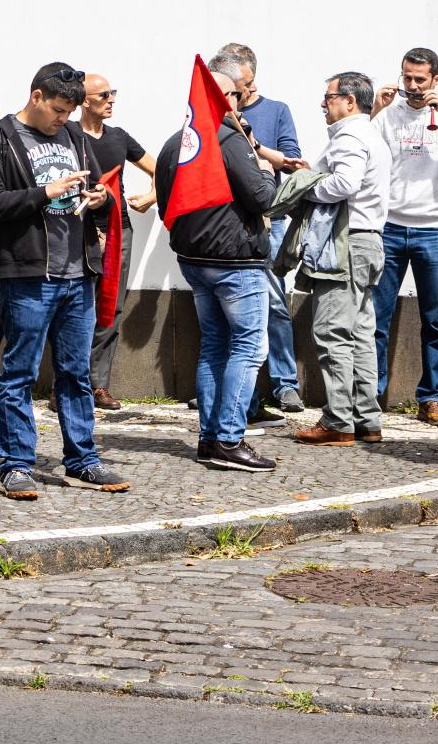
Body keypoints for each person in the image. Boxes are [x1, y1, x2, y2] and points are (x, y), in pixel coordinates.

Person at [0, 62, 129, 500]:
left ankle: (82, 460)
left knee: (76, 372)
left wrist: (100, 198)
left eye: (69, 111)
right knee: (18, 371)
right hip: (27, 275)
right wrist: (47, 191)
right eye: (58, 109)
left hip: (79, 275)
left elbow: (99, 191)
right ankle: (16, 465)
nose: (63, 118)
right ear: (36, 96)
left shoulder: (77, 137)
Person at [155, 71, 278, 472]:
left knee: (214, 345)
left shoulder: (176, 143)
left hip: (194, 260)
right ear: (224, 97)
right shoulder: (228, 140)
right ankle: (229, 438)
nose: (239, 101)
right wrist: (266, 170)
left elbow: (165, 205)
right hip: (235, 261)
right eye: (235, 95)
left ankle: (209, 438)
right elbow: (263, 197)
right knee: (248, 347)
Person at [370, 47, 438, 425]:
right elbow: (359, 151)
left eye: (419, 80)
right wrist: (374, 112)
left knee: (437, 320)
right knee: (376, 319)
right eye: (406, 78)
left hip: (434, 230)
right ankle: (372, 396)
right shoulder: (387, 114)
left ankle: (430, 398)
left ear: (435, 80)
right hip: (390, 227)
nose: (411, 87)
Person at [292, 72, 392, 448]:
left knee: (333, 332)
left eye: (329, 96)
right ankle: (367, 419)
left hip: (346, 242)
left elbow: (344, 184)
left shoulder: (350, 136)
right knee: (361, 333)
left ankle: (338, 421)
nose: (323, 103)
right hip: (368, 242)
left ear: (349, 101)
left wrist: (307, 188)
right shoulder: (372, 136)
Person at [213, 43, 305, 414]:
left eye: (250, 83)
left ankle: (285, 383)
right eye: (240, 86)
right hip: (227, 223)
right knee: (228, 312)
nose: (247, 91)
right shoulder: (211, 117)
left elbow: (292, 159)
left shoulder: (276, 110)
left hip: (272, 218)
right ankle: (229, 386)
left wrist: (254, 147)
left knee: (275, 303)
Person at [78, 72, 155, 410]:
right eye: (103, 95)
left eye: (113, 93)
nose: (111, 100)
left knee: (112, 308)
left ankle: (98, 385)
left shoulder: (119, 137)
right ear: (84, 101)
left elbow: (160, 168)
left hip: (118, 230)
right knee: (75, 308)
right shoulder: (67, 135)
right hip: (78, 232)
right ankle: (67, 385)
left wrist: (153, 197)